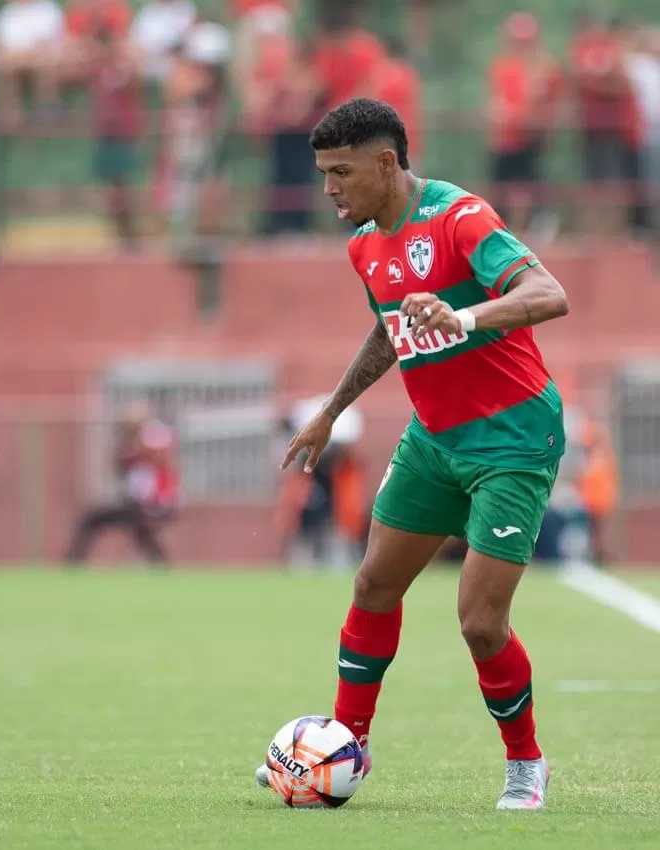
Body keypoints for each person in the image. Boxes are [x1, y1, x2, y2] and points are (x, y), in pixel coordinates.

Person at [254, 98, 569, 811]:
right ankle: (347, 746)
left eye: (340, 172)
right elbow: (388, 330)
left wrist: (464, 315)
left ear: (386, 163)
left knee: (480, 622)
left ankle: (527, 763)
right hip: (434, 438)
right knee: (372, 586)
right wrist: (331, 411)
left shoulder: (460, 218)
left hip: (513, 440)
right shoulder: (365, 245)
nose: (328, 188)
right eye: (323, 173)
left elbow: (548, 294)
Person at [64, 402, 179, 567]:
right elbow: (119, 467)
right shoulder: (130, 448)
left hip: (154, 503)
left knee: (139, 528)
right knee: (134, 530)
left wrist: (136, 444)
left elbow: (160, 458)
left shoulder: (154, 440)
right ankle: (160, 565)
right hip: (136, 503)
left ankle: (73, 562)